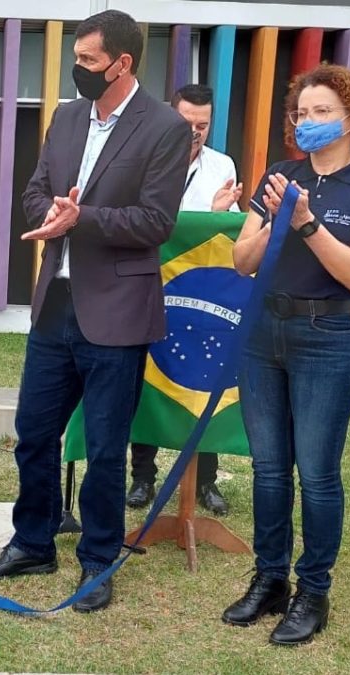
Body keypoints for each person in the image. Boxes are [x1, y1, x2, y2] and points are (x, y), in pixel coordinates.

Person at [0, 9, 190, 613]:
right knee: (34, 435)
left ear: (123, 63)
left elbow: (155, 221)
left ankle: (97, 561)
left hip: (117, 311)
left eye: (89, 61)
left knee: (106, 448)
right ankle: (34, 542)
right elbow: (35, 190)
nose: (78, 70)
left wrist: (81, 218)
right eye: (77, 58)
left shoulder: (165, 128)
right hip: (56, 307)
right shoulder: (66, 118)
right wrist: (51, 212)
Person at [223, 64, 350, 645]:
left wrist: (306, 224)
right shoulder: (280, 175)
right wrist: (271, 221)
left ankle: (314, 590)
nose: (309, 122)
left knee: (317, 473)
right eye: (302, 113)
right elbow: (242, 261)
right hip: (264, 334)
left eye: (322, 111)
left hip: (327, 338)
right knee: (269, 467)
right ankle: (269, 578)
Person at [127, 83, 242, 516]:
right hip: (147, 287)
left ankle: (205, 481)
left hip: (197, 297)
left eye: (202, 125)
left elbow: (224, 236)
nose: (194, 132)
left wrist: (218, 211)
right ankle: (142, 476)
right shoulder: (144, 159)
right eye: (186, 122)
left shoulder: (222, 166)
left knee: (201, 380)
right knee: (149, 378)